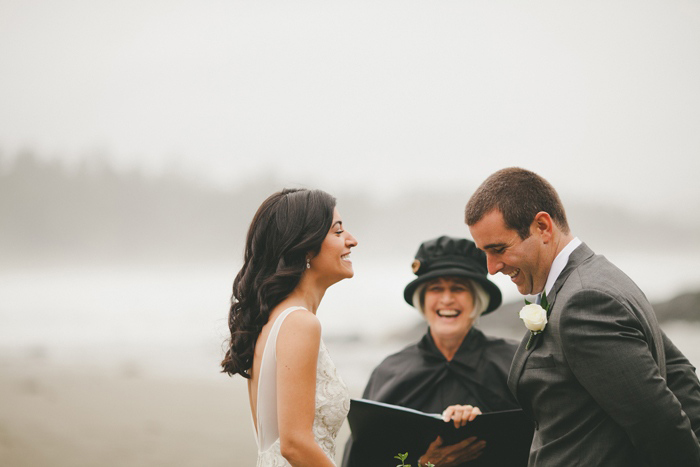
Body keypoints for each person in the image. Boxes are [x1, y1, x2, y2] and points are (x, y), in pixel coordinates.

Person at [465, 167, 700, 466]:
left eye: (499, 249)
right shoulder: (600, 277)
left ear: (542, 227)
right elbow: (680, 377)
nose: (491, 267)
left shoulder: (584, 302)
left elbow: (659, 425)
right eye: (484, 252)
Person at [342, 235, 520, 467]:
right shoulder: (389, 371)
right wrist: (426, 464)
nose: (447, 299)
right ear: (422, 300)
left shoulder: (514, 363)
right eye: (436, 288)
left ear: (478, 299)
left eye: (458, 288)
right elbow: (363, 457)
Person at [220, 188, 358, 466]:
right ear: (306, 246)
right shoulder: (299, 323)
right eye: (338, 231)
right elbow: (294, 445)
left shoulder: (274, 318)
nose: (352, 241)